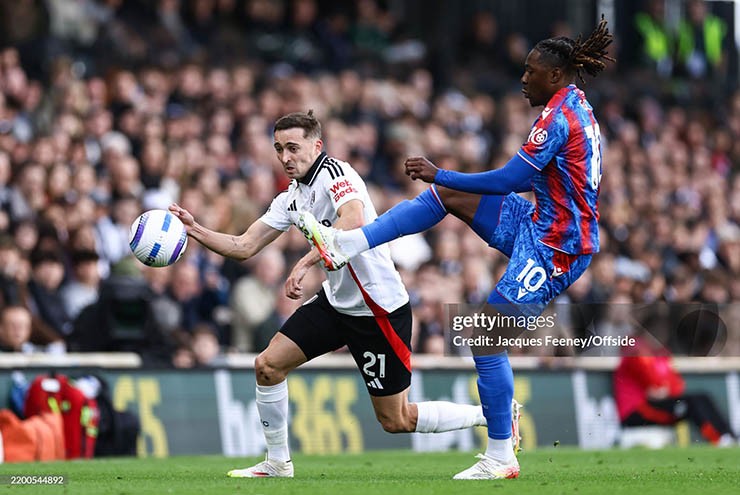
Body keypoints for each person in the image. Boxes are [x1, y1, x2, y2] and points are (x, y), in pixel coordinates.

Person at [299, 18, 615, 479]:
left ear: (554, 75)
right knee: (451, 198)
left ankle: (501, 456)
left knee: (484, 339)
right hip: (537, 222)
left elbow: (511, 178)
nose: (523, 78)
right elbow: (531, 178)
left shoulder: (557, 119)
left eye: (530, 71)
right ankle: (349, 243)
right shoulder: (574, 104)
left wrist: (439, 172)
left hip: (557, 248)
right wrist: (448, 183)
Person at [168, 110, 490, 479]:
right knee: (268, 366)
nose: (285, 157)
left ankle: (492, 415)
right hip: (337, 303)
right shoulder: (291, 197)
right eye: (278, 149)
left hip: (377, 307)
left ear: (316, 146)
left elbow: (351, 221)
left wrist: (304, 264)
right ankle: (277, 463)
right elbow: (243, 245)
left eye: (292, 147)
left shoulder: (337, 174)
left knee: (396, 419)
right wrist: (196, 230)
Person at [613, 334, 738, 446]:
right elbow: (651, 382)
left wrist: (664, 390)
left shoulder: (661, 355)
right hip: (636, 411)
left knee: (701, 397)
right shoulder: (635, 351)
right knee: (691, 405)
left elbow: (677, 385)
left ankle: (728, 435)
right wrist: (661, 388)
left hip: (656, 404)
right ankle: (719, 440)